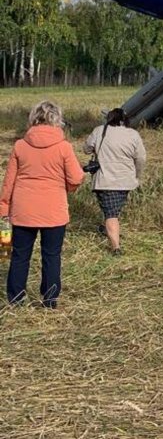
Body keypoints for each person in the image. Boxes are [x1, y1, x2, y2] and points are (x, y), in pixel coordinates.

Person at [0, 101, 84, 308]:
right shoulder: (64, 147)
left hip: (23, 210)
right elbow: (76, 178)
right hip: (54, 211)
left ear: (33, 118)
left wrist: (3, 207)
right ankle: (50, 300)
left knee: (20, 256)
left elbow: (8, 182)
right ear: (57, 119)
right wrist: (65, 189)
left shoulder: (20, 145)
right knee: (52, 256)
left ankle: (16, 299)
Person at [84, 108, 146, 255]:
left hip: (105, 180)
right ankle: (110, 232)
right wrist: (137, 175)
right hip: (126, 180)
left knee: (111, 213)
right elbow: (141, 158)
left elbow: (86, 149)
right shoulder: (133, 134)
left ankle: (115, 247)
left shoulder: (99, 131)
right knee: (113, 210)